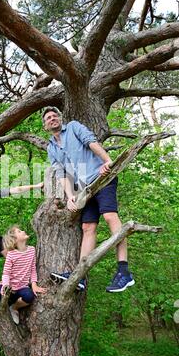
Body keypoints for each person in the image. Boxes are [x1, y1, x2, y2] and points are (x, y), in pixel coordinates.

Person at [42, 106, 134, 293]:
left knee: (110, 216)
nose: (52, 119)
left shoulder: (74, 127)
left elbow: (91, 142)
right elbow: (61, 173)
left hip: (101, 178)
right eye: (48, 118)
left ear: (60, 119)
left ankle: (124, 271)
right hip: (85, 190)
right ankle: (80, 276)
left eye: (55, 116)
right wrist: (70, 196)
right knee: (87, 228)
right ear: (45, 126)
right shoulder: (51, 148)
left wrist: (108, 161)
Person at [0, 225, 46, 356]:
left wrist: (34, 284)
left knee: (29, 296)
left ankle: (14, 307)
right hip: (8, 286)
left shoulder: (32, 250)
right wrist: (6, 286)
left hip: (22, 287)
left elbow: (32, 270)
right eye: (19, 231)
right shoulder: (12, 255)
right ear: (14, 240)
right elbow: (6, 273)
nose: (23, 231)